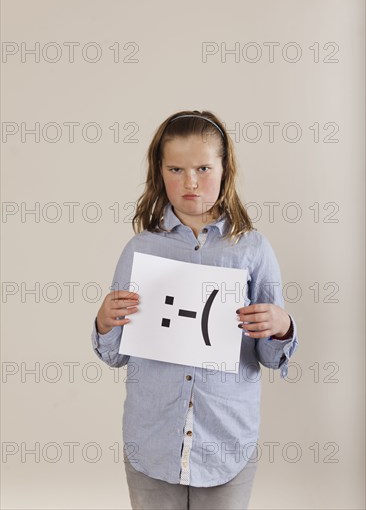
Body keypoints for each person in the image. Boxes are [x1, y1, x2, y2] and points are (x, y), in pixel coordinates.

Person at [91, 110, 299, 510]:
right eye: (176, 168)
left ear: (225, 169)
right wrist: (105, 321)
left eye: (203, 167)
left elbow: (271, 357)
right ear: (159, 171)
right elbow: (115, 353)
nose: (190, 181)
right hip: (152, 440)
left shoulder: (252, 249)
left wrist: (282, 327)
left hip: (226, 440)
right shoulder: (140, 250)